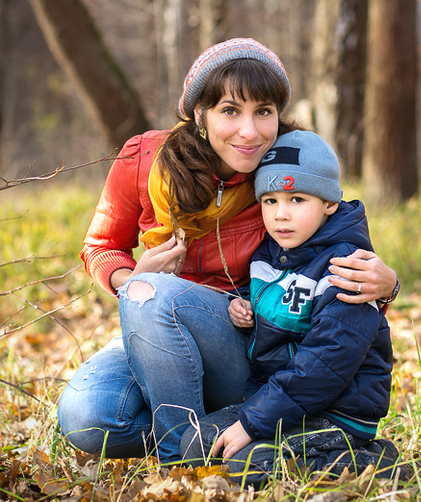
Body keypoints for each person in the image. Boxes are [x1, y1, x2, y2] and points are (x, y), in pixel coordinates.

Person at [57, 38, 399, 465]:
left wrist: (388, 284)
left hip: (248, 341)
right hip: (152, 326)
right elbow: (100, 246)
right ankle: (234, 433)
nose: (250, 132)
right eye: (230, 111)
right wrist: (130, 277)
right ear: (199, 113)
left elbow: (333, 233)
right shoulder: (145, 159)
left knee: (154, 294)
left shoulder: (281, 162)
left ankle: (183, 459)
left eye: (264, 112)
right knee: (89, 420)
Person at [180, 130, 403, 484]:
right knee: (195, 441)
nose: (280, 215)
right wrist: (246, 308)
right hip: (279, 402)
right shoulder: (270, 254)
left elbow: (326, 364)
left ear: (329, 203)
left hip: (335, 411)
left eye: (297, 200)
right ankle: (274, 449)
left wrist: (253, 423)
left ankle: (373, 463)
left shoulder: (347, 267)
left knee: (244, 467)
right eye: (270, 201)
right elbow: (281, 310)